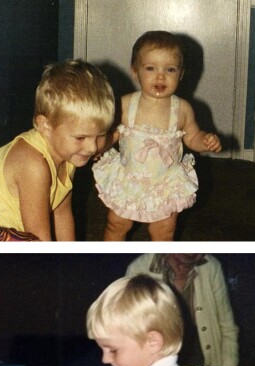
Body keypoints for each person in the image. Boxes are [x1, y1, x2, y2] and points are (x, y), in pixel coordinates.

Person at [93, 30, 222, 241]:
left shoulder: (182, 109)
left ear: (180, 74)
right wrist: (98, 147)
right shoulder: (126, 105)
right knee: (117, 223)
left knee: (163, 230)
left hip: (165, 183)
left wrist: (205, 141)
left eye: (170, 69)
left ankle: (162, 263)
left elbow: (192, 137)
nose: (160, 76)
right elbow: (114, 135)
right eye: (150, 68)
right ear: (135, 72)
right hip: (129, 179)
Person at [0, 59, 114, 241]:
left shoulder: (68, 155)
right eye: (81, 138)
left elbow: (62, 212)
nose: (92, 147)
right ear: (46, 125)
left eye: (100, 135)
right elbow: (38, 239)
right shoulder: (33, 164)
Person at [126, 254, 239, 366]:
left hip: (201, 356)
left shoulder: (211, 267)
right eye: (178, 258)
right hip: (157, 357)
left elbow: (227, 327)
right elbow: (129, 330)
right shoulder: (138, 268)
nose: (189, 254)